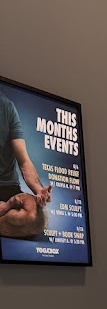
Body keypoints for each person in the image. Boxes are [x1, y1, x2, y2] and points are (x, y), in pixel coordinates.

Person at [0, 89, 52, 240]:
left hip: (7, 187)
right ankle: (6, 211)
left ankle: (6, 208)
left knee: (36, 219)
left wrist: (39, 190)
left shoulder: (6, 107)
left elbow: (24, 162)